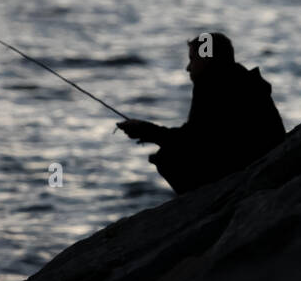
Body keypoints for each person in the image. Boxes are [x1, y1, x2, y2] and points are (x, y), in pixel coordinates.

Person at [119, 33, 284, 193]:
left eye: (192, 59)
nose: (188, 67)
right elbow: (200, 136)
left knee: (168, 158)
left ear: (207, 59)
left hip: (245, 164)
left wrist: (147, 131)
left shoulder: (211, 86)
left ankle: (204, 201)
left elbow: (193, 139)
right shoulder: (240, 78)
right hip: (263, 157)